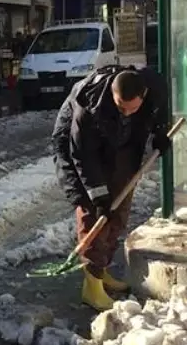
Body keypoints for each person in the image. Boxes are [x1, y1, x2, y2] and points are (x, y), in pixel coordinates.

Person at [52, 65, 169, 312]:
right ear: (113, 95)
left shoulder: (154, 88)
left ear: (144, 95)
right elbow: (82, 156)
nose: (126, 113)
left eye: (132, 109)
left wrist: (160, 132)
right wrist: (98, 195)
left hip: (122, 145)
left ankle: (102, 270)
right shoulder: (89, 105)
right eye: (120, 107)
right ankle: (91, 286)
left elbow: (160, 111)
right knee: (93, 213)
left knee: (119, 207)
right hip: (79, 151)